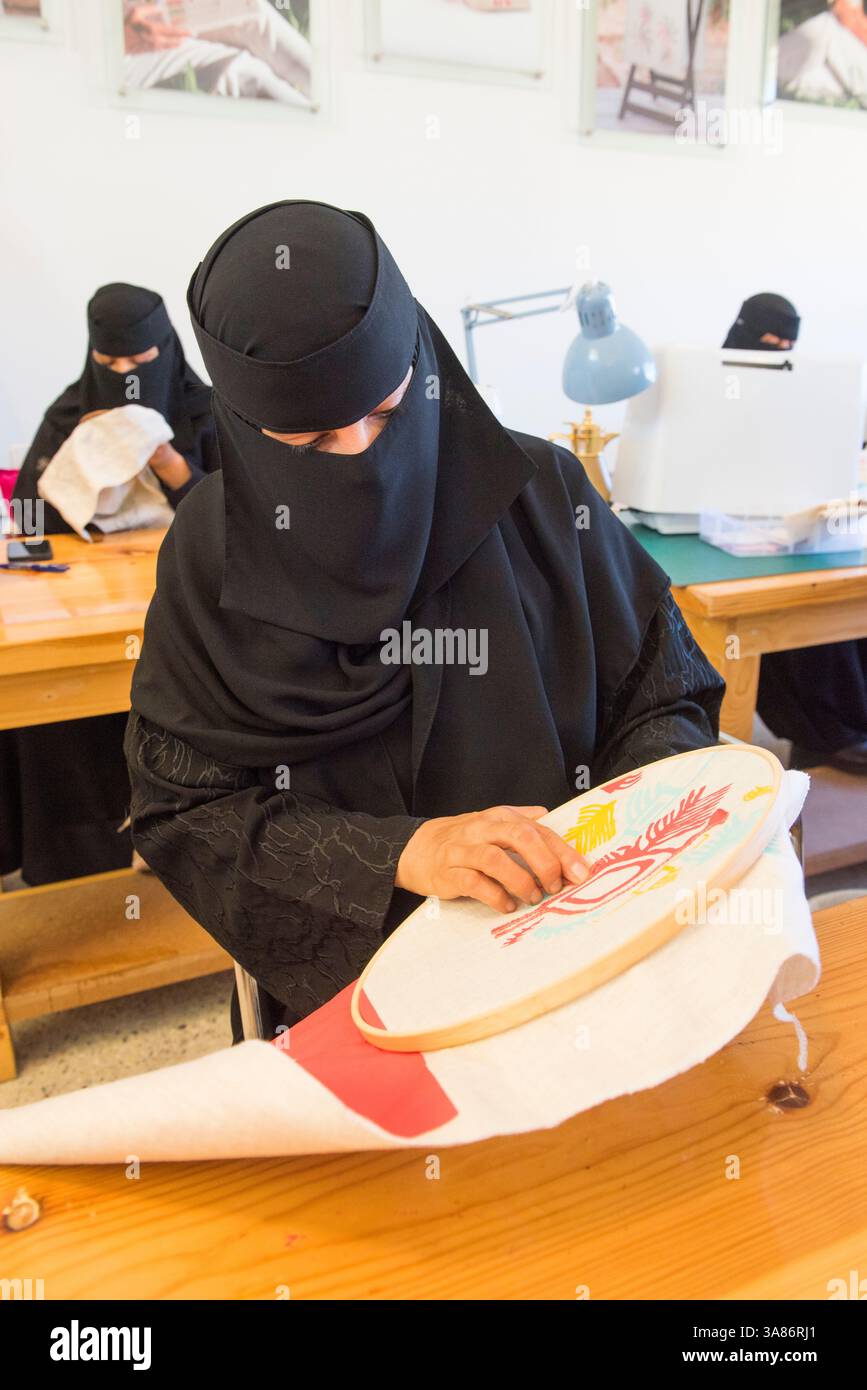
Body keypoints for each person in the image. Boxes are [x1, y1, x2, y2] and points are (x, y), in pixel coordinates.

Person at [125, 200, 725, 1042]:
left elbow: (666, 697)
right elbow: (185, 812)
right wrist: (403, 854)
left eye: (386, 411)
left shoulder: (544, 496)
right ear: (244, 428)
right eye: (308, 444)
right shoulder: (211, 554)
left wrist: (607, 842)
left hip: (588, 940)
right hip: (357, 986)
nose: (361, 455)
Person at [1, 284, 218, 887]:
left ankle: (183, 835)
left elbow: (235, 514)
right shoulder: (71, 411)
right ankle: (77, 851)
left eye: (140, 362)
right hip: (88, 595)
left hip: (180, 591)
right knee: (51, 690)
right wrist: (80, 459)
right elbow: (30, 516)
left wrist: (169, 461)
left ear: (165, 350)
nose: (125, 377)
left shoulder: (205, 410)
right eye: (109, 363)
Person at [723, 292, 867, 774]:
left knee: (839, 607)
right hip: (728, 534)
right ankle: (822, 733)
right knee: (788, 626)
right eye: (770, 341)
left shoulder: (802, 390)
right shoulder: (711, 390)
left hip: (799, 527)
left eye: (789, 345)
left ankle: (848, 723)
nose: (780, 353)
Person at [122, 1, 313, 106]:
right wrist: (120, 36)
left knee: (254, 14)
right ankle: (316, 144)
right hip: (115, 48)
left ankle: (331, 111)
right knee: (240, 73)